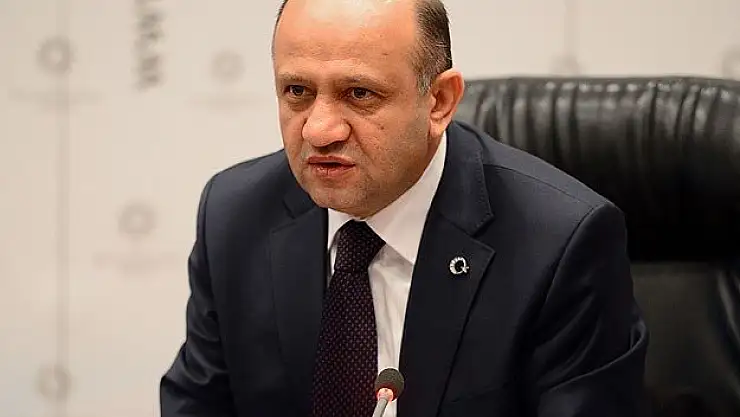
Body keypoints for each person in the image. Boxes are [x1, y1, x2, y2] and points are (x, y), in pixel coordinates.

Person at [160, 0, 649, 416]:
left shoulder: (561, 244)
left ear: (439, 101)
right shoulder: (235, 216)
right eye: (298, 92)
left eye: (359, 94)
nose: (319, 130)